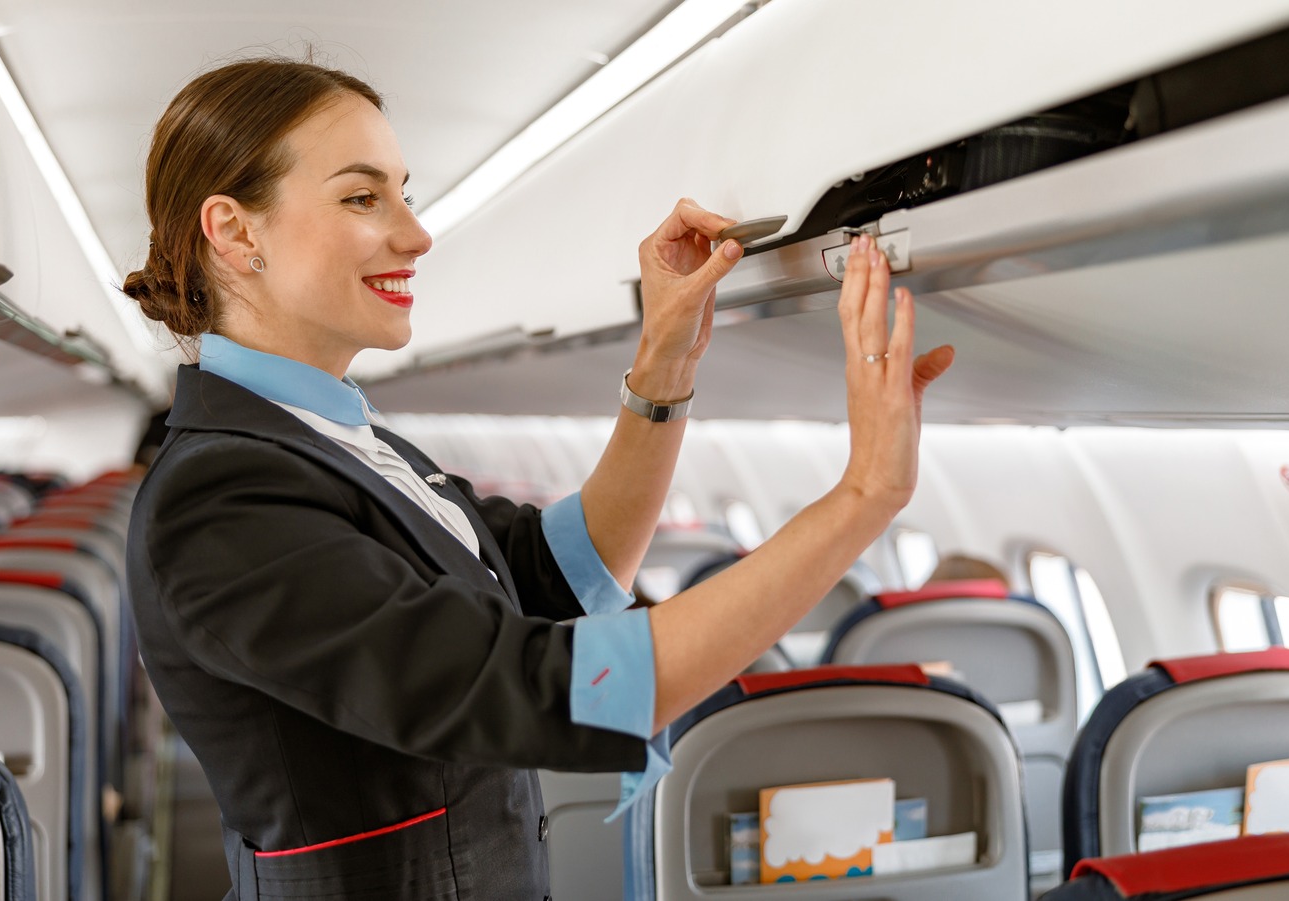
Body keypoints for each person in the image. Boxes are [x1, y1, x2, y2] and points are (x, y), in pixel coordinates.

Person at [121, 58, 953, 900]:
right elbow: (534, 689)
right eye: (362, 197)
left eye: (405, 192)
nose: (416, 233)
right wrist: (861, 499)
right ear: (234, 231)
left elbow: (565, 569)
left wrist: (662, 362)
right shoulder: (217, 500)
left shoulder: (351, 441)